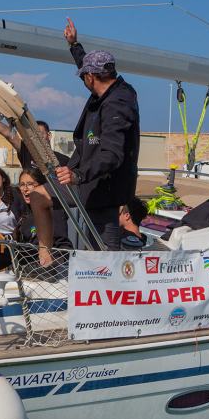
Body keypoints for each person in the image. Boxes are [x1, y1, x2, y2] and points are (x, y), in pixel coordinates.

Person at [55, 17, 140, 251]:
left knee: (103, 253)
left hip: (103, 188)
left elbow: (112, 153)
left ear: (91, 78)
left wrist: (78, 175)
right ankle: (50, 252)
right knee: (42, 197)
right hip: (90, 183)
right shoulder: (108, 88)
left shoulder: (117, 104)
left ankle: (107, 283)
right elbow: (87, 65)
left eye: (84, 76)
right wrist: (73, 45)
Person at [16, 168, 72, 270]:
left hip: (46, 272)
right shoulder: (23, 214)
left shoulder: (54, 212)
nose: (25, 189)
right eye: (22, 184)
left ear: (42, 186)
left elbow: (64, 247)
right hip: (25, 269)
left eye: (30, 184)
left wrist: (50, 263)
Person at [0, 118, 70, 171]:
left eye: (40, 134)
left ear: (49, 135)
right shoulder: (27, 152)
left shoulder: (64, 160)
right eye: (34, 135)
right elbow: (7, 133)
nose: (37, 138)